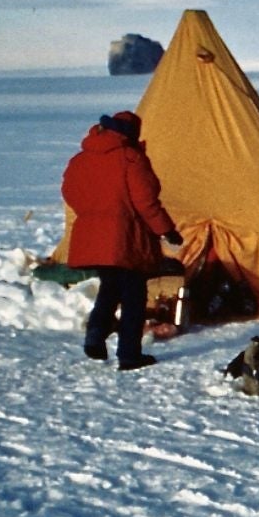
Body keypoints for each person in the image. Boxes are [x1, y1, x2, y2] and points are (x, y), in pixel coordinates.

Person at [62, 111, 182, 371]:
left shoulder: (80, 159)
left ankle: (96, 333)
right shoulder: (130, 158)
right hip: (126, 238)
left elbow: (69, 192)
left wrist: (93, 213)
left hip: (92, 237)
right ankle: (129, 354)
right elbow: (146, 202)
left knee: (110, 288)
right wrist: (167, 230)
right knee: (134, 297)